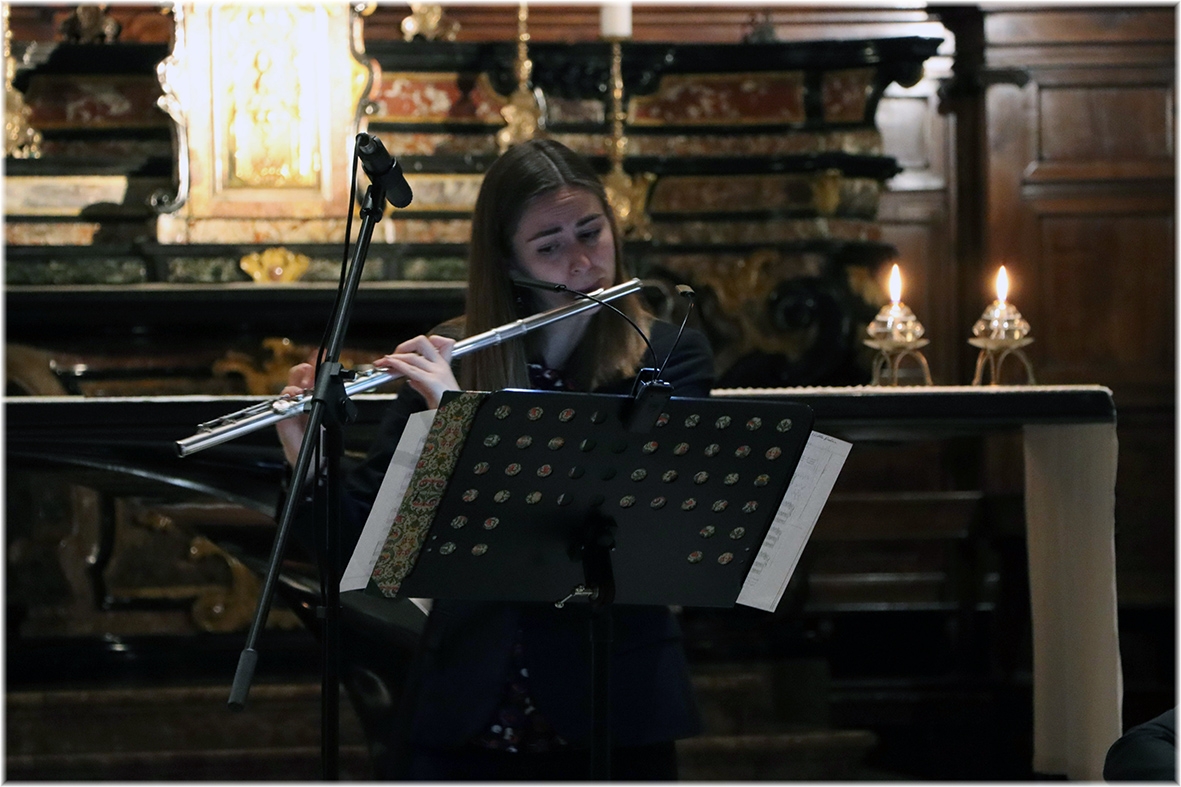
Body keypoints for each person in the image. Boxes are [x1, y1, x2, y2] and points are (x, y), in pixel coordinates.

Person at [276, 138, 715, 780]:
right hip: (463, 708)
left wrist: (458, 416)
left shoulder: (667, 357)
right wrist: (307, 459)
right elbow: (364, 551)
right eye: (549, 247)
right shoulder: (454, 357)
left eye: (591, 232)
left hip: (614, 703)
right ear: (509, 262)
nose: (582, 261)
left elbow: (605, 519)